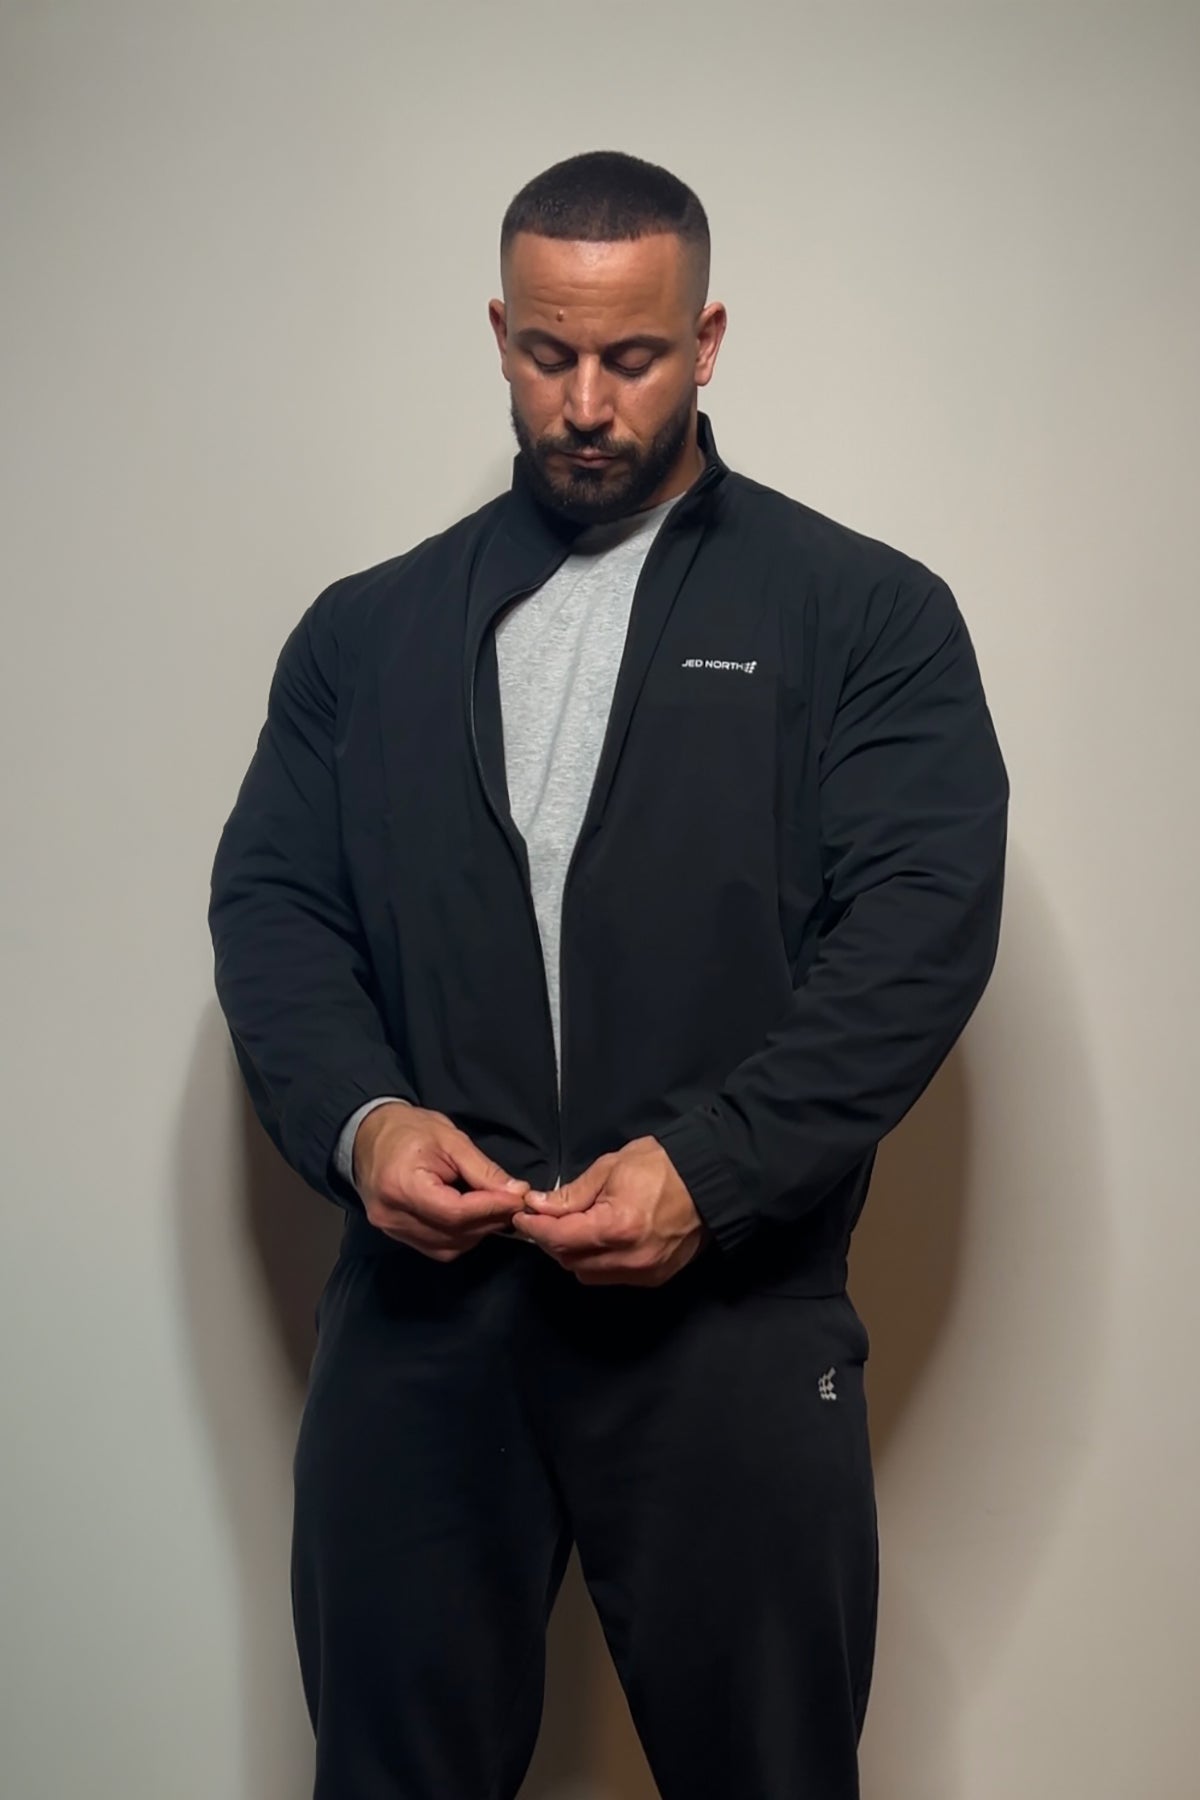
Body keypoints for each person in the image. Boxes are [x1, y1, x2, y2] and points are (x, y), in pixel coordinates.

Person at [209, 148, 1008, 1800]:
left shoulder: (865, 615)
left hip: (732, 1314)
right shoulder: (366, 633)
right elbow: (276, 908)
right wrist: (364, 1124)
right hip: (425, 1323)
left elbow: (920, 927)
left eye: (632, 357)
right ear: (499, 335)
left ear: (706, 341)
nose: (585, 404)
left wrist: (712, 1171)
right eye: (548, 354)